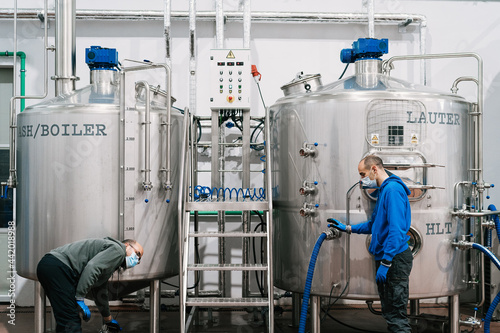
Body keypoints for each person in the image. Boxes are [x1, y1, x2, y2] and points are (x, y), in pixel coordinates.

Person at [330, 155, 413, 333]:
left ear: (374, 169)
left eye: (363, 174)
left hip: (395, 260)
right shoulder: (384, 191)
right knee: (390, 313)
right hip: (389, 258)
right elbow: (375, 224)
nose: (362, 179)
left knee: (396, 316)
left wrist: (387, 261)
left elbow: (396, 230)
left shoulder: (392, 191)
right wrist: (348, 228)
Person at [36, 237, 144, 333]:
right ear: (126, 245)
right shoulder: (118, 250)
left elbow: (100, 290)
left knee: (67, 319)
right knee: (70, 322)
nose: (137, 260)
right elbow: (92, 267)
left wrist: (108, 319)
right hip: (59, 268)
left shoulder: (110, 258)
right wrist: (80, 297)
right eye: (137, 254)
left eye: (139, 260)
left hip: (53, 267)